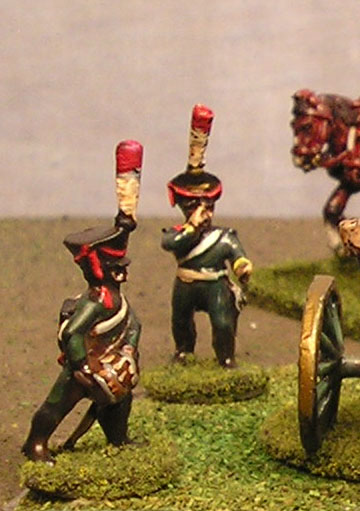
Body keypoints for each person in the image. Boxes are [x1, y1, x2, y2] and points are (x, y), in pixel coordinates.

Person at [24, 141, 143, 462]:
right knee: (57, 405)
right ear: (100, 270)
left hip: (111, 363)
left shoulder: (115, 298)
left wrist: (129, 350)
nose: (123, 273)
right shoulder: (95, 302)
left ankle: (118, 438)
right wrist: (81, 366)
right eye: (116, 268)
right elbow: (72, 333)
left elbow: (134, 324)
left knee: (120, 403)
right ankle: (36, 443)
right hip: (86, 367)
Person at [162, 104, 252, 367]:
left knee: (222, 323)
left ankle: (226, 358)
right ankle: (183, 352)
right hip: (186, 283)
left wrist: (242, 266)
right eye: (195, 207)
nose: (204, 213)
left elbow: (236, 253)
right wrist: (191, 227)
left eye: (208, 207)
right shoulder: (178, 234)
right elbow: (170, 243)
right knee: (180, 320)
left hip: (215, 285)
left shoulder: (223, 236)